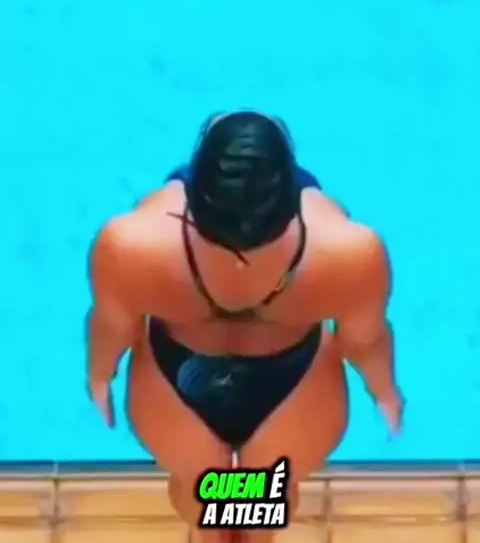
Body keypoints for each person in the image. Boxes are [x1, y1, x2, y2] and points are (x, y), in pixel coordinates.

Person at [86, 111, 403, 543]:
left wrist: (100, 376)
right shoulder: (347, 251)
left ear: (192, 199)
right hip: (293, 384)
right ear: (294, 202)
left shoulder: (133, 245)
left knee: (202, 501)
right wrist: (383, 391)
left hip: (176, 377)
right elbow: (363, 342)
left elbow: (113, 329)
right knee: (263, 508)